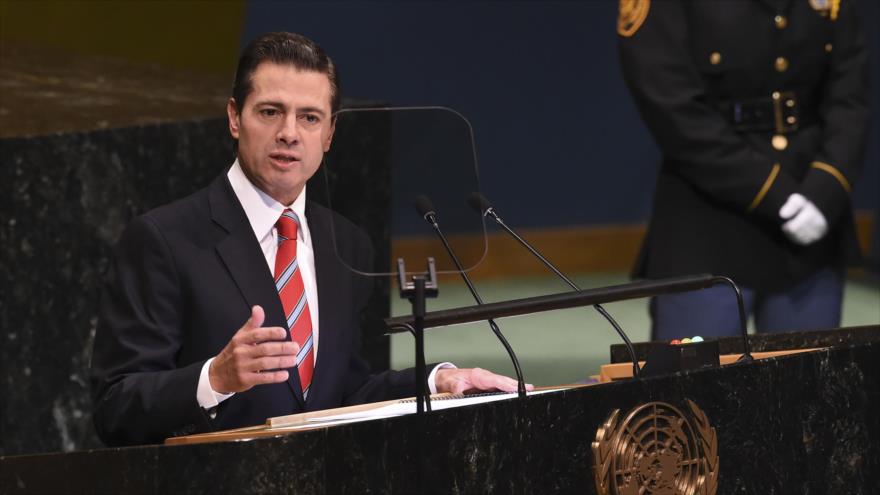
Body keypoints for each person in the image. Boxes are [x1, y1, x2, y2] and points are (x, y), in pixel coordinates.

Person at [90, 32, 527, 447]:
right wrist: (214, 379)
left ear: (330, 133)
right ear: (234, 118)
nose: (289, 133)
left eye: (309, 117)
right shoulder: (164, 239)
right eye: (270, 112)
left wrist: (436, 381)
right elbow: (115, 407)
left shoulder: (347, 243)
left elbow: (343, 393)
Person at [617, 0, 869, 340]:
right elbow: (670, 106)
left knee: (809, 373)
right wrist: (775, 194)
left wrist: (827, 187)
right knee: (699, 372)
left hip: (812, 214)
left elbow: (850, 97)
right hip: (708, 221)